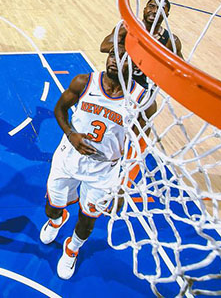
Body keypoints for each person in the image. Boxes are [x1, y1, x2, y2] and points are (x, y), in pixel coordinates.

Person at [41, 50, 157, 279]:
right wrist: (71, 133)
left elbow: (139, 143)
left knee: (88, 218)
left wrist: (124, 183)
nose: (114, 60)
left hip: (104, 170)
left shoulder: (142, 100)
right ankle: (57, 220)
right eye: (113, 54)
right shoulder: (85, 82)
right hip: (68, 159)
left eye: (123, 57)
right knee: (52, 207)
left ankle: (72, 248)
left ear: (135, 65)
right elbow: (60, 109)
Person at [99, 0, 183, 88]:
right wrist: (133, 54)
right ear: (144, 9)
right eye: (151, 6)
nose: (154, 11)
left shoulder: (171, 40)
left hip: (144, 87)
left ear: (166, 15)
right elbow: (104, 46)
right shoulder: (127, 27)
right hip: (119, 80)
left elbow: (180, 70)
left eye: (161, 9)